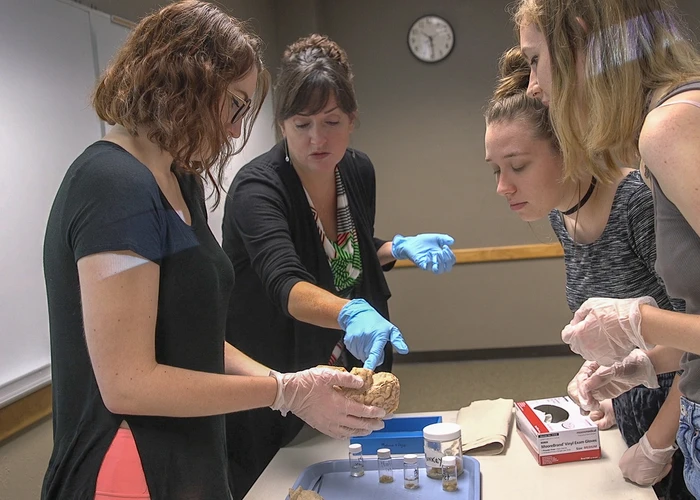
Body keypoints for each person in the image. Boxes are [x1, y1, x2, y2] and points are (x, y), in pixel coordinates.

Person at [41, 4, 387, 500]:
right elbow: (128, 383)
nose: (233, 129)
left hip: (195, 454)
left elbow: (193, 337)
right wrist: (281, 392)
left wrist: (290, 384)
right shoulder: (112, 185)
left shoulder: (179, 180)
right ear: (187, 85)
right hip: (129, 464)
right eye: (235, 105)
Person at [221, 33, 456, 497]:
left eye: (331, 121)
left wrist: (393, 248)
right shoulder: (258, 190)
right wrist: (349, 312)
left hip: (349, 359)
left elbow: (344, 250)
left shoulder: (357, 170)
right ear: (281, 125)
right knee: (282, 481)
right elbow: (286, 281)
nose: (317, 138)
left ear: (352, 120)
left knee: (360, 473)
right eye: (302, 123)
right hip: (278, 371)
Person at [484, 46, 690, 498]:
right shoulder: (564, 215)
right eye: (496, 170)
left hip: (683, 426)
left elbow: (695, 346)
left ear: (569, 146)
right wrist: (622, 374)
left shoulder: (637, 201)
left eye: (517, 166)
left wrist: (659, 442)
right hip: (635, 417)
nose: (503, 186)